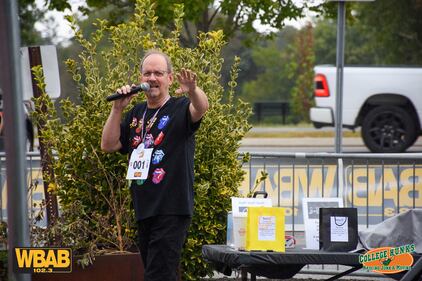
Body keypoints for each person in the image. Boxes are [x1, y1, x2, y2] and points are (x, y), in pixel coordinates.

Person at [101, 50, 209, 281]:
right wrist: (117, 108)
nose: (152, 78)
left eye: (158, 73)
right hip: (144, 208)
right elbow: (108, 145)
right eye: (147, 73)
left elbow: (201, 108)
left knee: (157, 275)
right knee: (162, 273)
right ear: (140, 78)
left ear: (170, 79)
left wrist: (193, 90)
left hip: (171, 208)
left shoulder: (180, 108)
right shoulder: (136, 113)